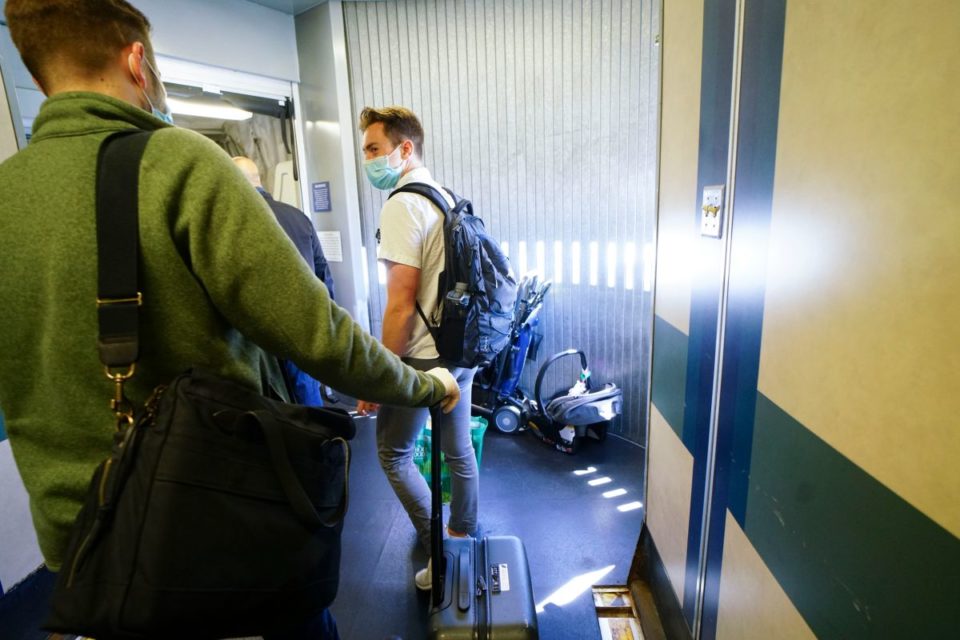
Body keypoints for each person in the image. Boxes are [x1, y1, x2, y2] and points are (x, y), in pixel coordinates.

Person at [0, 2, 460, 638]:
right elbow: (314, 330)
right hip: (209, 517)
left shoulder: (6, 193)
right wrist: (421, 384)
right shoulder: (178, 165)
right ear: (137, 60)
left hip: (85, 545)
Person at [355, 106, 479, 591]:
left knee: (393, 454)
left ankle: (442, 554)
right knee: (458, 449)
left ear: (405, 149)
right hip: (461, 351)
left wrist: (377, 376)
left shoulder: (402, 204)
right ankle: (461, 533)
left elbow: (400, 306)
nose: (367, 160)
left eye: (373, 149)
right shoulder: (447, 198)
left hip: (424, 359)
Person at [233, 155, 335, 407]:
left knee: (272, 407)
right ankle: (319, 442)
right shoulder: (298, 217)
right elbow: (324, 276)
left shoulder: (235, 222)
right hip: (304, 329)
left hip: (260, 337)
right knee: (308, 402)